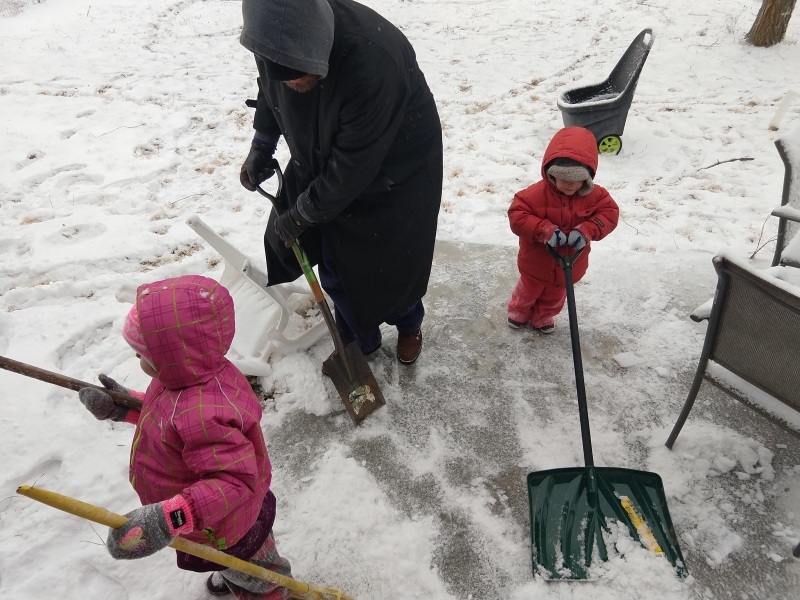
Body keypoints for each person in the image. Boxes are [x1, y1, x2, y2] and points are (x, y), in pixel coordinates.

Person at [238, 0, 443, 366]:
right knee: (336, 263)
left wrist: (301, 213)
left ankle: (408, 324)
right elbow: (272, 88)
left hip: (395, 166)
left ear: (316, 47)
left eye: (297, 74)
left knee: (394, 264)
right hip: (324, 152)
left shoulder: (373, 60)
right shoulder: (271, 32)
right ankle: (357, 339)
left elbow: (352, 166)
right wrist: (262, 143)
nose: (291, 83)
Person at [78, 275, 291, 599]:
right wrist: (122, 408)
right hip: (208, 521)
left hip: (228, 522)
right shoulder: (183, 377)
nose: (138, 361)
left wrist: (171, 517)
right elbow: (167, 421)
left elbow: (234, 482)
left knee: (259, 575)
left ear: (174, 354)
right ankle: (232, 572)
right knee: (228, 563)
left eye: (143, 354)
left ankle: (267, 590)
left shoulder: (203, 412)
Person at [507, 127, 619, 333]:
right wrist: (544, 230)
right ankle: (519, 310)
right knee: (528, 290)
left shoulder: (596, 196)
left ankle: (544, 315)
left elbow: (609, 213)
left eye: (578, 179)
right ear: (551, 173)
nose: (571, 185)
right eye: (565, 179)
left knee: (556, 295)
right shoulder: (533, 195)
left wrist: (588, 229)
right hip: (537, 262)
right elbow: (517, 215)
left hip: (571, 263)